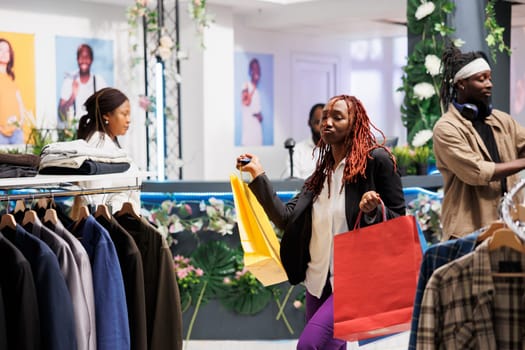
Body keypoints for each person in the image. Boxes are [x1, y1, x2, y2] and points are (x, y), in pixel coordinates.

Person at [236, 94, 405, 349]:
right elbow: (285, 218)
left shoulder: (376, 161)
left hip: (353, 280)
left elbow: (397, 220)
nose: (327, 122)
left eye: (338, 117)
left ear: (355, 124)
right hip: (317, 280)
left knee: (308, 345)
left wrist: (372, 209)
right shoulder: (320, 174)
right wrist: (258, 174)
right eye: (325, 116)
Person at [434, 44, 525, 240]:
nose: (489, 84)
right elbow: (477, 172)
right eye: (481, 79)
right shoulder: (446, 128)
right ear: (461, 84)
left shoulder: (502, 120)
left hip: (510, 226)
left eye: (489, 78)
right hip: (468, 232)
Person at [75, 87, 141, 214]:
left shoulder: (106, 144)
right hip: (113, 226)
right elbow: (95, 199)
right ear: (106, 115)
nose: (128, 120)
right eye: (124, 114)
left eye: (129, 114)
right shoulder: (100, 147)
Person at [58, 43, 107, 127]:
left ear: (91, 60)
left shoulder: (99, 81)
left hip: (94, 130)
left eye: (87, 57)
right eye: (81, 57)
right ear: (77, 59)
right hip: (74, 132)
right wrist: (72, 96)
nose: (84, 60)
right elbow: (60, 114)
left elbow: (107, 108)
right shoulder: (69, 81)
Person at [284, 103, 324, 179]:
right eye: (318, 122)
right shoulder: (296, 150)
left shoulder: (337, 150)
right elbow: (294, 184)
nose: (322, 127)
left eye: (325, 122)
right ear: (309, 123)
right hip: (304, 190)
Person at [0, 38, 25, 144]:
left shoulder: (12, 77)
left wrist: (21, 120)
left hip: (16, 131)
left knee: (19, 160)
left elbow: (19, 101)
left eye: (7, 50)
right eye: (1, 49)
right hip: (0, 132)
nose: (4, 53)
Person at [241, 58, 263, 146]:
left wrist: (260, 116)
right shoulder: (245, 85)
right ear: (250, 71)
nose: (257, 71)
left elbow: (258, 113)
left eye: (258, 69)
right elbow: (246, 102)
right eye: (254, 68)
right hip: (248, 133)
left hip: (257, 132)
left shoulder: (257, 91)